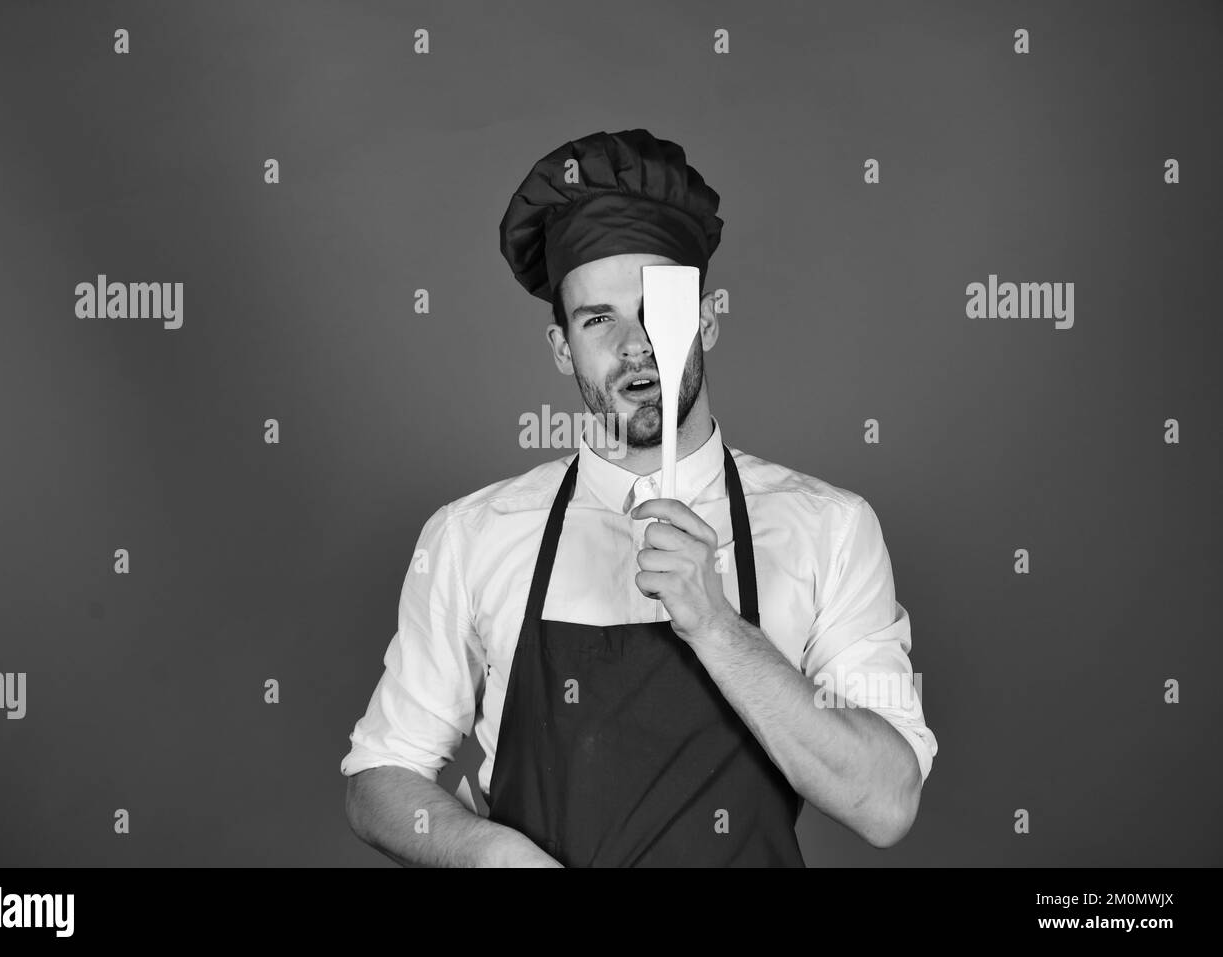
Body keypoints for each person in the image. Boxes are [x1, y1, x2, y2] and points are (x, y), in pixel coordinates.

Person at [341, 128, 937, 867]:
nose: (635, 345)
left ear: (708, 317)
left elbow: (887, 803)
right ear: (563, 348)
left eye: (660, 307)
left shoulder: (830, 529)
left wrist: (715, 623)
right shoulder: (471, 535)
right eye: (598, 319)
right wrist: (485, 853)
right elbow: (378, 779)